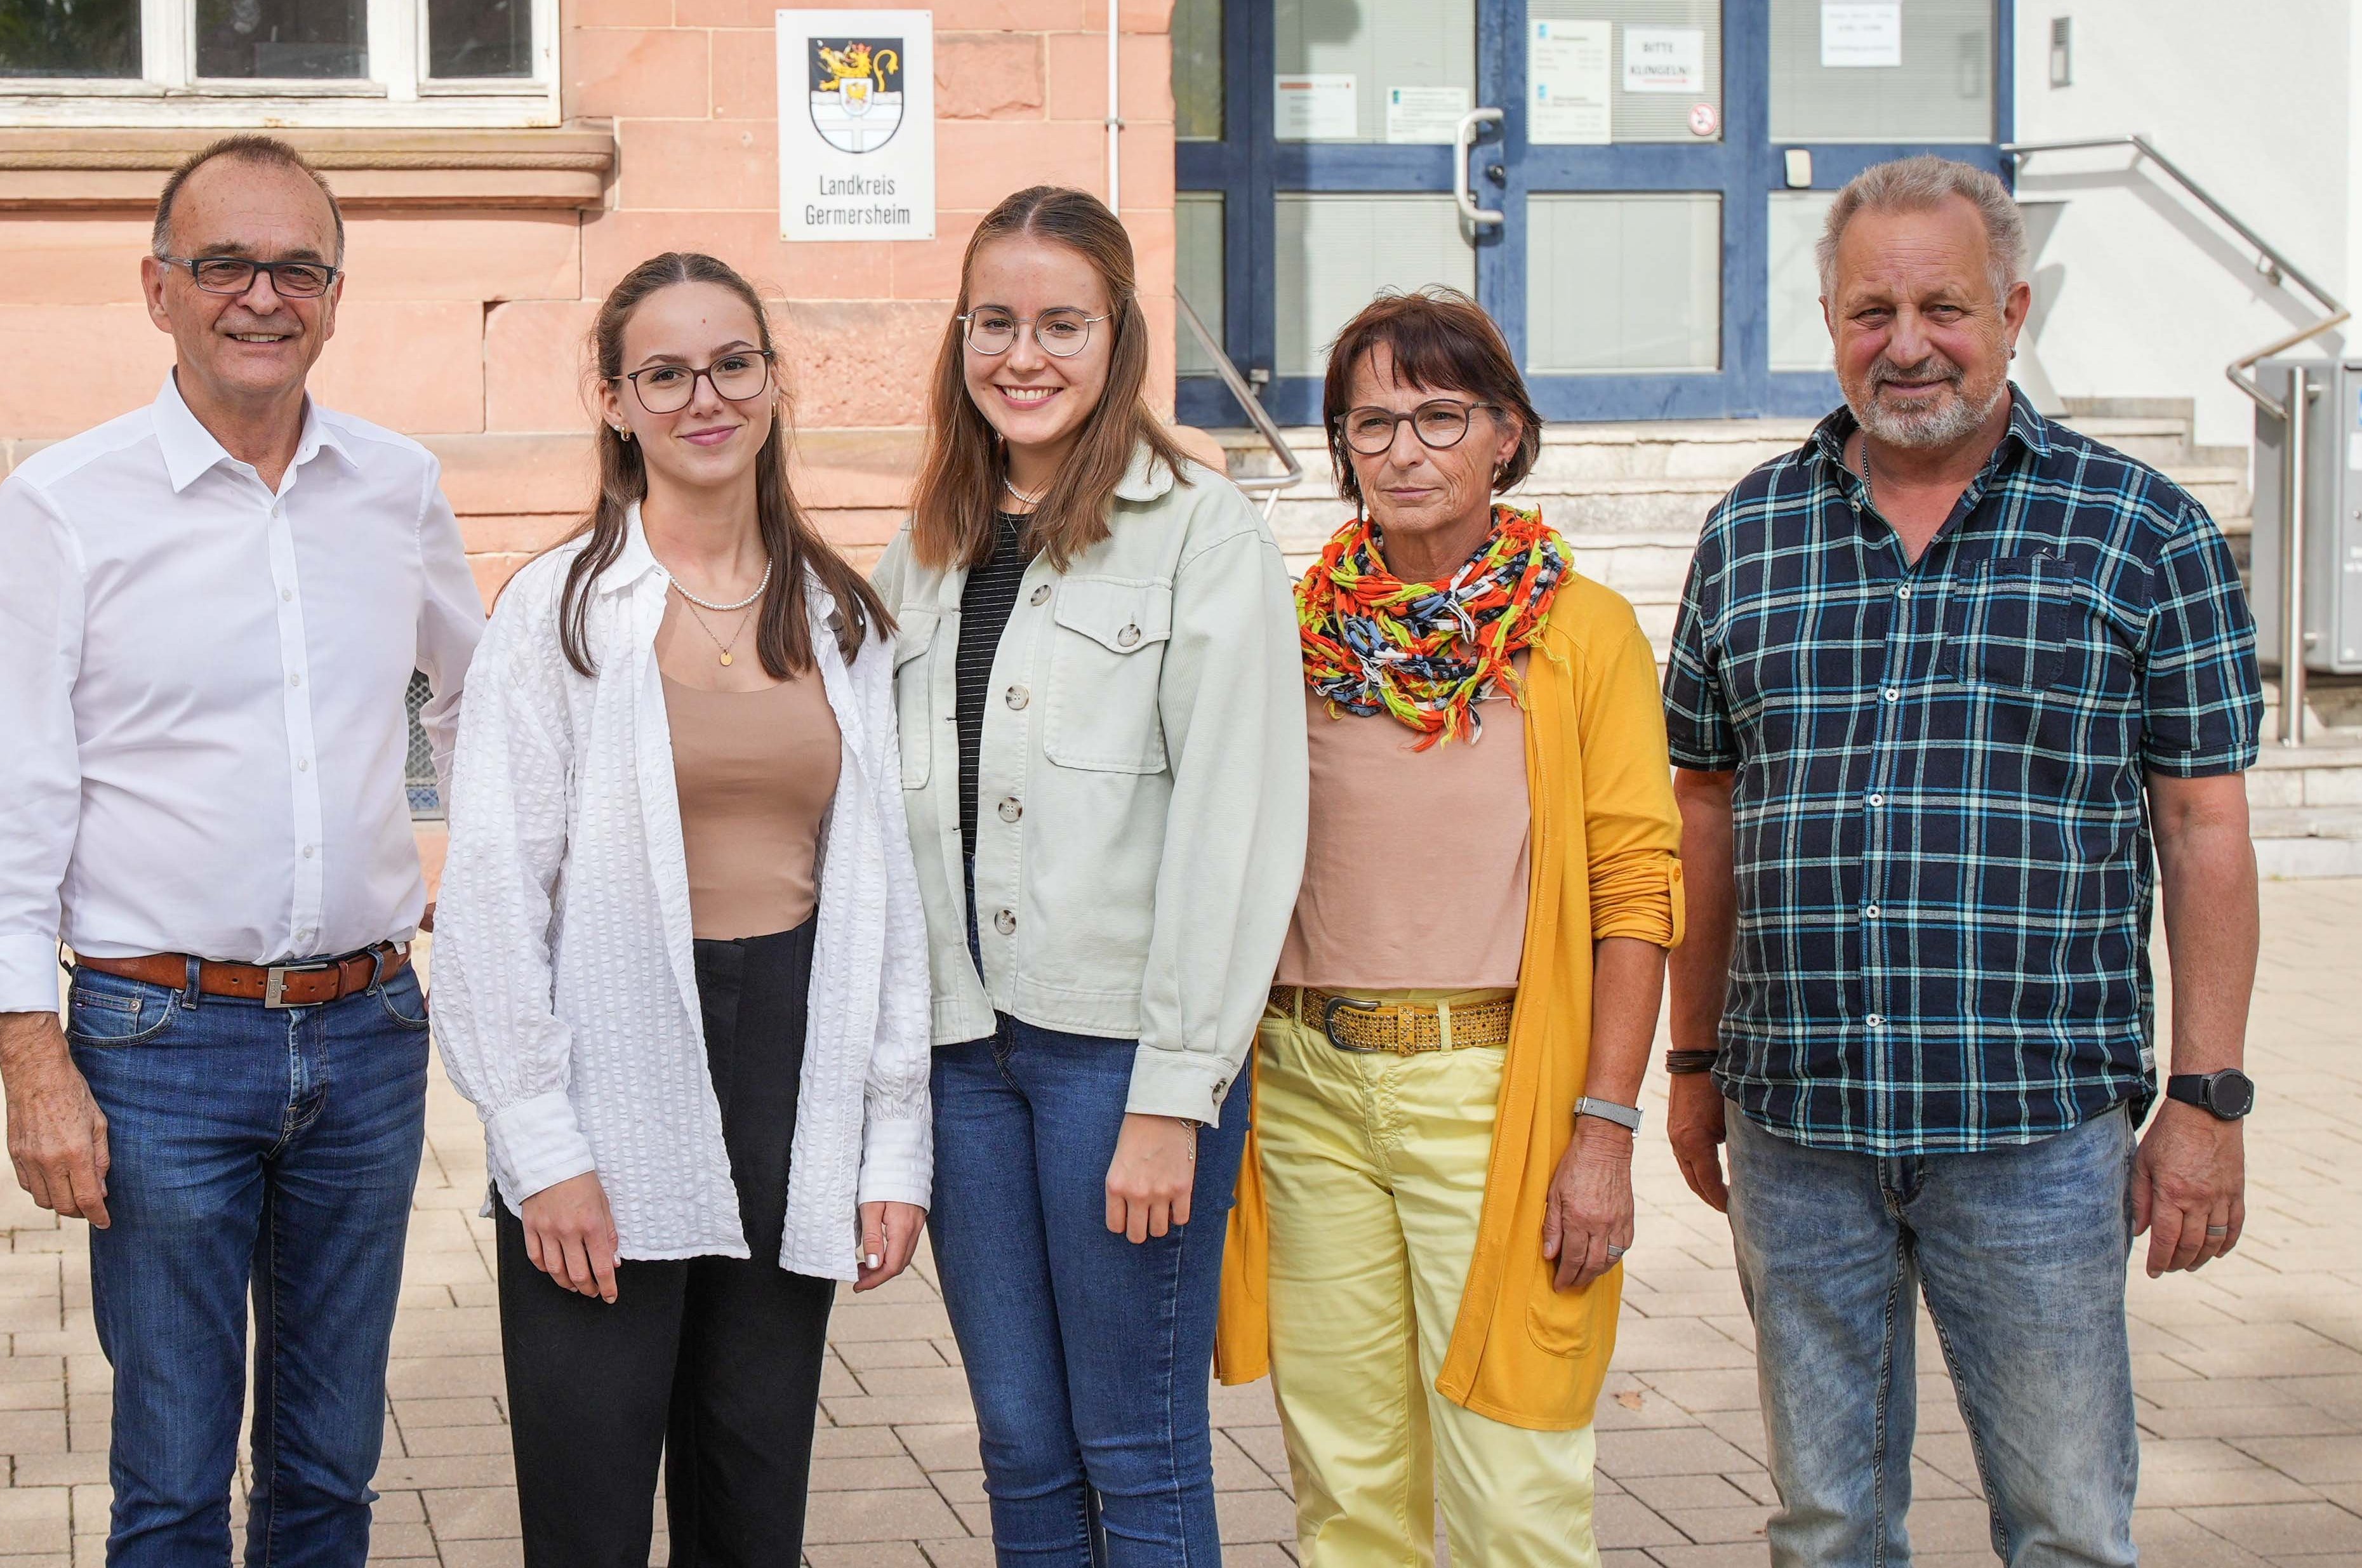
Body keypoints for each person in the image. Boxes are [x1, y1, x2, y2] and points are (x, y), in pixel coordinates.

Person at [1663, 155, 2264, 1567]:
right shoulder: (1749, 532)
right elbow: (1703, 811)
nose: (1908, 341)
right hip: (1800, 1128)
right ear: (1829, 319)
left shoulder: (2142, 531)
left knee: (2064, 1522)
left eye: (1944, 304)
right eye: (1871, 309)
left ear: (2013, 310)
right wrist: (1692, 1072)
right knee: (1824, 1525)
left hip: (2037, 1133)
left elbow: (2205, 826)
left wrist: (2208, 1098)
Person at [0, 135, 485, 1567]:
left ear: (334, 294)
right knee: (175, 1479)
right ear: (158, 288)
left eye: (297, 266)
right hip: (156, 1038)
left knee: (328, 1470)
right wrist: (30, 1058)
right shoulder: (66, 505)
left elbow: (489, 708)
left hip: (369, 1034)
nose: (263, 295)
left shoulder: (398, 485)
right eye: (225, 264)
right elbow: (5, 793)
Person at [431, 250, 934, 1565]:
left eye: (732, 363)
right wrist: (541, 1144)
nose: (702, 396)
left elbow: (883, 897)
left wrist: (891, 1141)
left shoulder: (841, 616)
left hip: (792, 1064)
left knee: (753, 1499)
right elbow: (490, 892)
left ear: (776, 380)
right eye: (664, 371)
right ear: (613, 399)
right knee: (590, 1502)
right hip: (611, 1069)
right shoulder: (558, 615)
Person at [870, 184, 1308, 1565]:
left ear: (1118, 337)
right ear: (959, 335)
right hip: (962, 1060)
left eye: (1063, 322)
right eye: (995, 320)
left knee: (1139, 1447)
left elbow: (1237, 829)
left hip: (1118, 1062)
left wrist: (1176, 1093)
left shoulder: (1201, 533)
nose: (1024, 353)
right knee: (1018, 1444)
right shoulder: (931, 540)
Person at [1211, 288, 1680, 1568]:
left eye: (1439, 416)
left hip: (1495, 1097)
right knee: (1351, 1494)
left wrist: (1607, 1125)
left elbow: (1638, 889)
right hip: (1306, 1087)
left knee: (1514, 1495)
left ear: (1506, 437)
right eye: (1372, 423)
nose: (1405, 449)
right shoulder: (1289, 630)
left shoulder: (1582, 635)